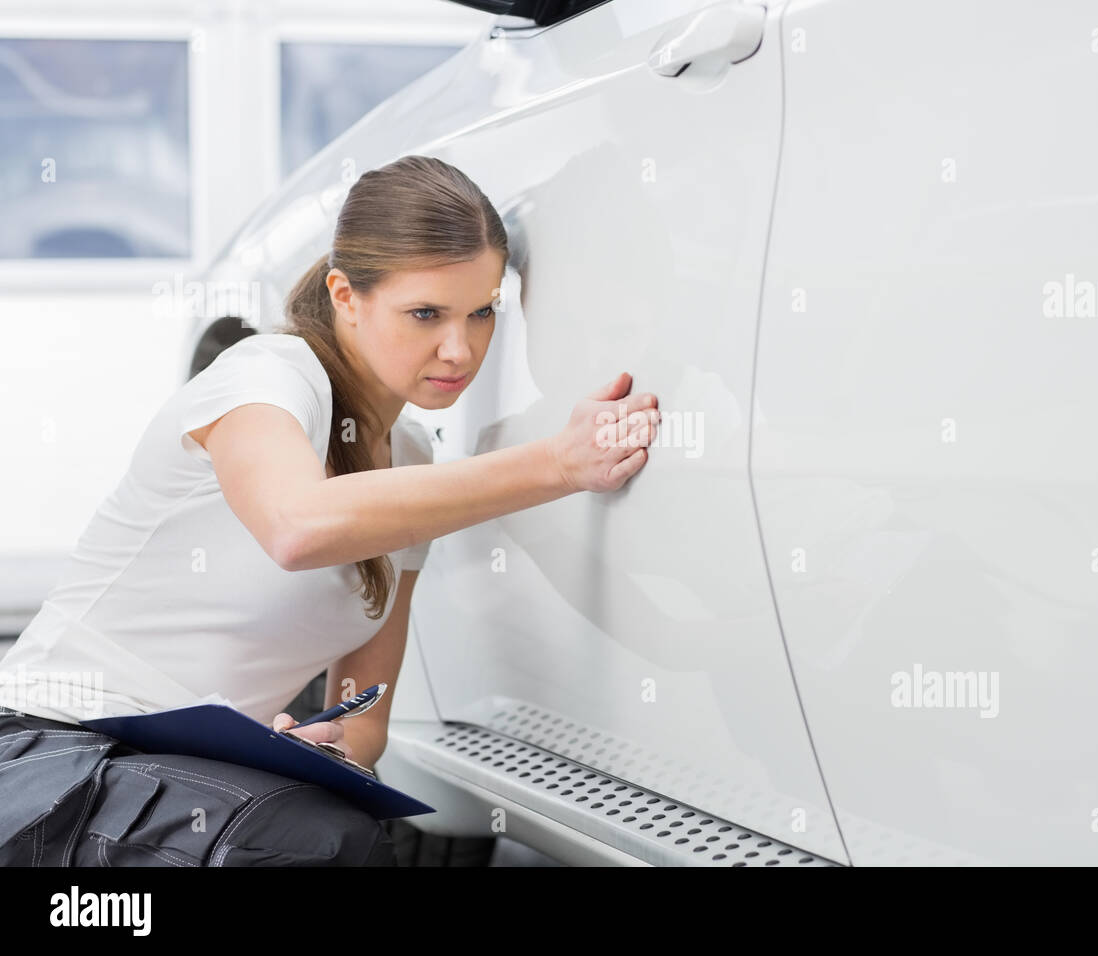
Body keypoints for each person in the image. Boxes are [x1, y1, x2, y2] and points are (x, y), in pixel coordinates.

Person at [0, 154, 660, 866]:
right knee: (317, 845)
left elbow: (365, 711)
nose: (459, 347)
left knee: (333, 829)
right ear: (346, 296)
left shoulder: (408, 459)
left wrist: (333, 743)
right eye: (425, 314)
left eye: (482, 312)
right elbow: (296, 525)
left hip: (180, 772)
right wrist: (558, 462)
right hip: (57, 758)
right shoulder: (269, 374)